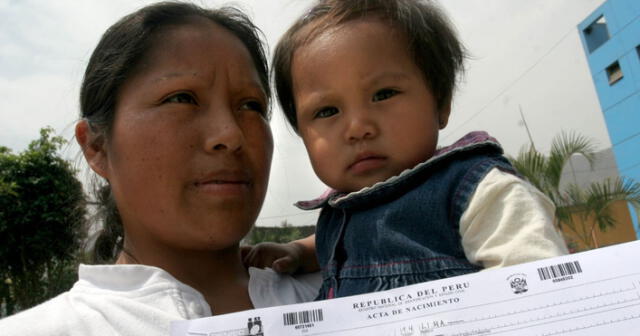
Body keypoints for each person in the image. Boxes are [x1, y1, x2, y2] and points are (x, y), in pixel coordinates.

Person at [0, 2, 320, 335]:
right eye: (181, 98)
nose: (230, 134)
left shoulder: (355, 293)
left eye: (251, 105)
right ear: (97, 146)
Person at [242, 0, 568, 300]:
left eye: (383, 94)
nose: (357, 128)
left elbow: (535, 278)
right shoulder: (340, 213)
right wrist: (301, 252)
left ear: (440, 103)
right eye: (327, 111)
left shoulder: (477, 191)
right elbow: (343, 242)